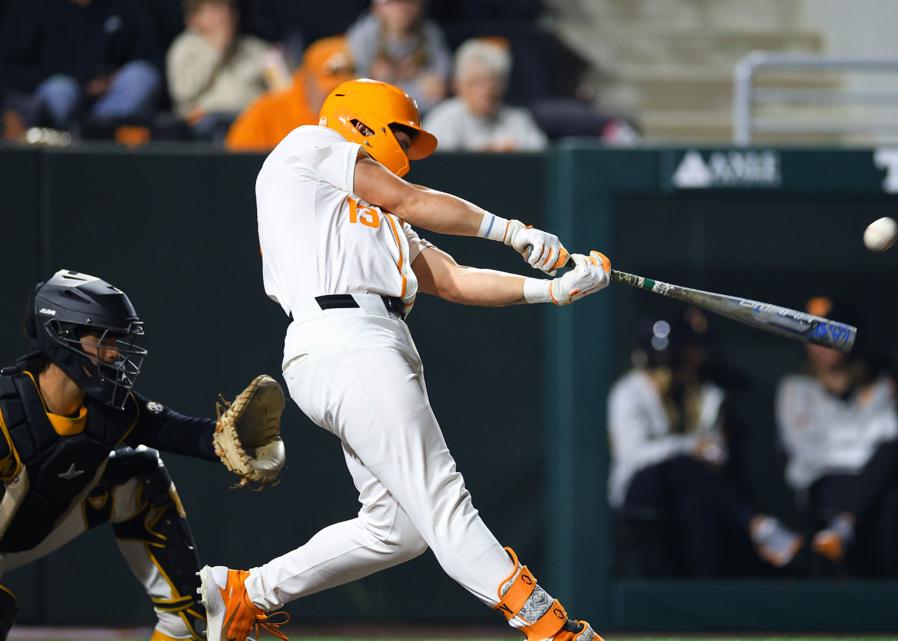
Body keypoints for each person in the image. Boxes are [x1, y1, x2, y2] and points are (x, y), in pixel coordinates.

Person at [197, 79, 609, 641]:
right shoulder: (307, 145)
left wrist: (553, 291)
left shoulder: (362, 214)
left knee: (398, 529)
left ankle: (247, 593)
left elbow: (457, 279)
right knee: (443, 500)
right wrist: (514, 232)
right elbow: (409, 198)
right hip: (344, 333)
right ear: (360, 123)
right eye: (402, 136)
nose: (407, 152)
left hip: (364, 340)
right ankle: (551, 629)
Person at [0, 270, 282, 641]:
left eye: (116, 340)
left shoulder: (108, 410)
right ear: (60, 335)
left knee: (139, 474)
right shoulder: (8, 410)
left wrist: (229, 441)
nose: (115, 352)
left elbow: (173, 430)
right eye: (102, 339)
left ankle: (182, 623)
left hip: (23, 533)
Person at [608, 310, 802, 576]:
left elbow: (717, 452)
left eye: (677, 360)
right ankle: (755, 524)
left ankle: (700, 597)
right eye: (664, 363)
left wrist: (700, 450)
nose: (670, 370)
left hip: (693, 491)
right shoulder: (629, 391)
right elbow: (634, 455)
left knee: (697, 506)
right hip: (642, 488)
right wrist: (689, 447)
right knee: (681, 465)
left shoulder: (704, 394)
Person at [775, 296, 898, 572]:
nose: (820, 343)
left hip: (869, 484)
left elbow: (888, 442)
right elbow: (808, 450)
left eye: (829, 333)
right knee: (854, 488)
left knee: (888, 493)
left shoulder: (877, 386)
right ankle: (844, 527)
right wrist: (859, 441)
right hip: (819, 483)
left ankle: (845, 528)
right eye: (812, 335)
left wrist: (838, 439)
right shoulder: (794, 388)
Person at [0, 0, 162, 133]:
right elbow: (12, 69)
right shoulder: (33, 6)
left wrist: (113, 78)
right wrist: (76, 82)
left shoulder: (124, 6)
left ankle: (97, 137)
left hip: (110, 100)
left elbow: (149, 55)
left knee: (140, 77)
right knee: (61, 90)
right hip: (58, 98)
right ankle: (60, 148)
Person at [225, 36, 353, 152]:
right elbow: (236, 165)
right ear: (307, 80)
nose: (337, 98)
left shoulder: (358, 118)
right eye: (330, 90)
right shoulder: (266, 112)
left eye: (345, 92)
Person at [166, 0, 271, 141]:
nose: (225, 15)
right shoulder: (185, 47)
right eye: (216, 9)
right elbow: (183, 92)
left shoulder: (255, 48)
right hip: (207, 126)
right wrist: (216, 50)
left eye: (228, 8)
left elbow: (284, 89)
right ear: (194, 18)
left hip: (252, 122)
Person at [423, 39, 547, 152]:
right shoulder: (443, 119)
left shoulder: (518, 121)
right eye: (476, 82)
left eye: (494, 82)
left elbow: (542, 157)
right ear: (458, 85)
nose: (486, 91)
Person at [345, 0, 449, 112]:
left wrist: (388, 83)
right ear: (377, 7)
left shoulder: (429, 33)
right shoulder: (363, 36)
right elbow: (358, 93)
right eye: (392, 3)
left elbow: (438, 90)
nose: (401, 9)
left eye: (409, 2)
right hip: (375, 113)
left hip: (420, 114)